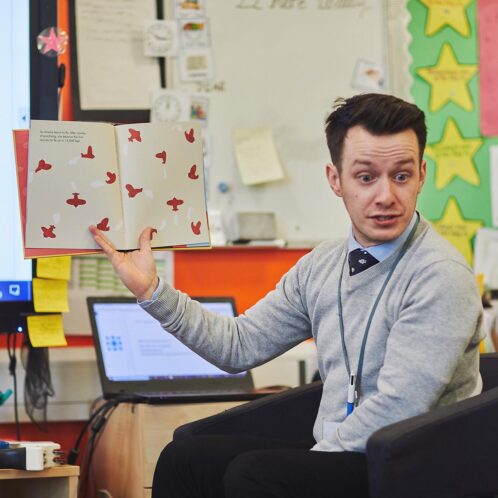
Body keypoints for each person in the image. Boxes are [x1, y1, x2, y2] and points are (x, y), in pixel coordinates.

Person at [90, 93, 484, 498]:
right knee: (185, 458)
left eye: (401, 176)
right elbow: (237, 345)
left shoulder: (440, 276)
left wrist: (315, 456)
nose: (386, 196)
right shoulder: (323, 264)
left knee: (256, 474)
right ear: (336, 180)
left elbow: (399, 408)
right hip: (343, 455)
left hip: (416, 468)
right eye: (366, 177)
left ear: (421, 174)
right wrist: (151, 291)